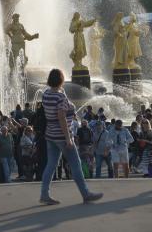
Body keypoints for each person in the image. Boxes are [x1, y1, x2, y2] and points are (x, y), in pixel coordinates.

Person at [41, 69, 103, 205]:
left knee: (51, 165)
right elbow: (61, 117)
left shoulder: (46, 94)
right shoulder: (60, 97)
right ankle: (86, 194)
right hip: (62, 136)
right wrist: (68, 138)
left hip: (50, 135)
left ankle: (44, 194)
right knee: (76, 164)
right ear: (61, 80)